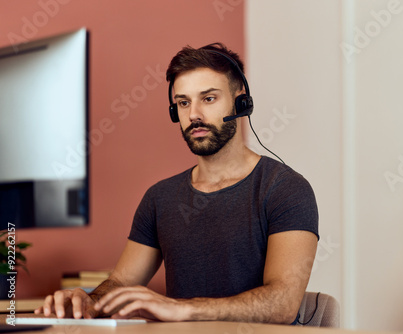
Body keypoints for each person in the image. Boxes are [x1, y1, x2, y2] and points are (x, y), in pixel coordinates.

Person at [35, 43, 319, 325]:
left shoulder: (285, 189)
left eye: (208, 99)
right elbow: (120, 282)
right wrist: (89, 302)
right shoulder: (160, 198)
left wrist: (185, 309)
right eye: (183, 103)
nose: (193, 114)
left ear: (241, 101)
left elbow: (283, 303)